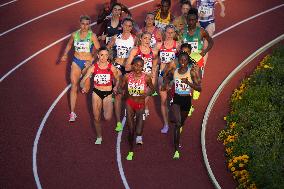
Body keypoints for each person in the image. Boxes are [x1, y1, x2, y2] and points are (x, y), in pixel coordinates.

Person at [59, 15, 100, 122]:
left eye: (87, 24)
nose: (85, 26)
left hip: (87, 63)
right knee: (74, 85)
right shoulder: (74, 35)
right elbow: (68, 45)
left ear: (89, 24)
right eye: (83, 24)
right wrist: (65, 54)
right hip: (76, 61)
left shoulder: (93, 36)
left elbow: (98, 50)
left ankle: (85, 85)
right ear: (79, 23)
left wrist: (91, 60)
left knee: (85, 89)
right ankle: (72, 113)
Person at [80, 47, 120, 144]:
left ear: (108, 56)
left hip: (108, 93)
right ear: (98, 56)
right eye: (102, 55)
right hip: (96, 93)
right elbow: (83, 80)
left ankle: (110, 103)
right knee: (96, 117)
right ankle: (99, 137)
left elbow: (118, 79)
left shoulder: (111, 67)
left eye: (106, 55)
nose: (104, 57)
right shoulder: (93, 67)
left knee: (107, 117)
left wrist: (115, 87)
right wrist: (83, 87)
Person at [166, 51, 201, 159]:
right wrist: (167, 85)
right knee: (177, 123)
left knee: (181, 123)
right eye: (181, 60)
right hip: (176, 99)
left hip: (186, 100)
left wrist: (189, 83)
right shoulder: (174, 71)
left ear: (188, 61)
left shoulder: (191, 73)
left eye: (185, 60)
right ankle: (176, 150)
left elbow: (199, 88)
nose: (182, 62)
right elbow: (167, 79)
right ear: (178, 60)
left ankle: (177, 130)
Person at [120, 57, 155, 160]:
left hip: (140, 105)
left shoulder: (146, 78)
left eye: (140, 66)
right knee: (131, 129)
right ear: (132, 65)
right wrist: (119, 91)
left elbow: (152, 90)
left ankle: (139, 134)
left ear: (143, 67)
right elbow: (121, 88)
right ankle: (131, 151)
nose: (137, 68)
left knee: (138, 131)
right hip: (129, 103)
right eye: (135, 65)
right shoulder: (127, 76)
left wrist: (147, 92)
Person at [107, 17, 136, 132]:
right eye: (125, 25)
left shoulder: (134, 38)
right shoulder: (116, 37)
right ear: (122, 25)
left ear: (132, 27)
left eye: (130, 26)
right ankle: (119, 122)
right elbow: (107, 48)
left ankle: (132, 114)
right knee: (118, 94)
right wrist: (110, 56)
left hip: (129, 68)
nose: (127, 28)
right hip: (118, 66)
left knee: (131, 94)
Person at [126, 31, 158, 116]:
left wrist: (153, 71)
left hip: (148, 77)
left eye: (149, 39)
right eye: (145, 38)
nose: (147, 40)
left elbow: (155, 61)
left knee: (148, 91)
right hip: (137, 76)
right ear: (141, 39)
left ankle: (143, 106)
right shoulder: (135, 50)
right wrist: (138, 69)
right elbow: (127, 66)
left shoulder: (153, 51)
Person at [156, 24, 180, 134]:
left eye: (172, 33)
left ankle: (177, 117)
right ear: (164, 33)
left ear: (174, 34)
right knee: (163, 100)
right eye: (168, 32)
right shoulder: (159, 45)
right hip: (162, 75)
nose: (169, 35)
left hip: (175, 76)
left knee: (176, 100)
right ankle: (166, 124)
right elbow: (154, 59)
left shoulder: (178, 45)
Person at [182, 8, 213, 77]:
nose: (191, 22)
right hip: (184, 60)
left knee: (196, 82)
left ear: (196, 20)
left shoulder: (202, 31)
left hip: (197, 60)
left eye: (193, 20)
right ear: (187, 20)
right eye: (189, 20)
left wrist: (205, 51)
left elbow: (211, 42)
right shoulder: (182, 31)